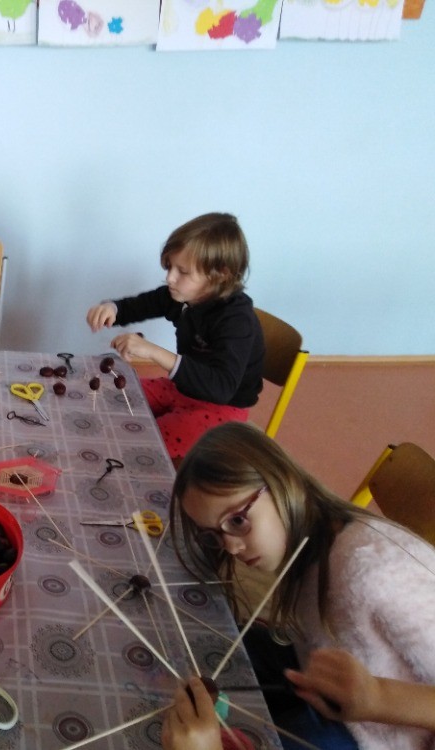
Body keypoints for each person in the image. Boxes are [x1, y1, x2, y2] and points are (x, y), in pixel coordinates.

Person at [164, 421, 435, 750]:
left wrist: (377, 698)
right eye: (215, 535)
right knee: (220, 645)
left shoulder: (375, 573)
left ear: (282, 482)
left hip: (382, 736)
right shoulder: (312, 548)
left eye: (237, 520)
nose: (231, 548)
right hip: (328, 685)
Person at [85, 213, 264, 462]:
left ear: (221, 274)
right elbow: (141, 305)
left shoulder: (236, 320)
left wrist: (154, 351)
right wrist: (112, 308)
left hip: (221, 409)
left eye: (183, 271)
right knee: (106, 400)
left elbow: (221, 387)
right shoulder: (182, 296)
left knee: (139, 448)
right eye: (169, 267)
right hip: (180, 389)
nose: (170, 278)